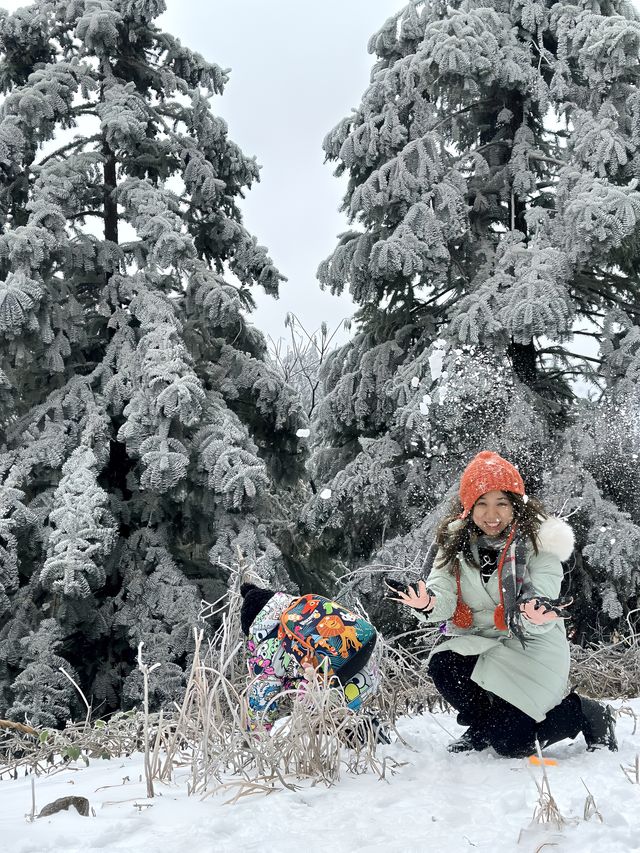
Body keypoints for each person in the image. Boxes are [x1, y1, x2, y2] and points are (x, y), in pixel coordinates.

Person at [386, 451, 618, 758]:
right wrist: (427, 602)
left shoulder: (539, 543)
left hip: (531, 646)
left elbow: (545, 589)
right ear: (468, 507)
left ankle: (586, 713)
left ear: (515, 505)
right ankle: (485, 726)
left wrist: (534, 610)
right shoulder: (454, 544)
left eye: (501, 504)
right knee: (444, 663)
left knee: (514, 746)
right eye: (482, 503)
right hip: (484, 643)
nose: (491, 514)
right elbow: (441, 591)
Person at [239, 582, 385, 741]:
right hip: (366, 670)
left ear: (253, 626)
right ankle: (373, 737)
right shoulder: (304, 609)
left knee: (320, 718)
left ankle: (356, 739)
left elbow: (262, 699)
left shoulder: (266, 648)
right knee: (364, 730)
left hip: (330, 696)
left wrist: (254, 738)